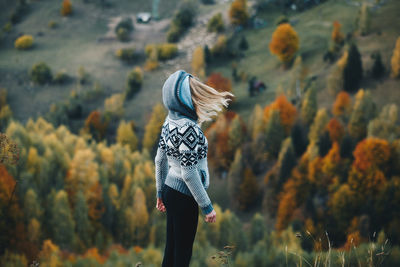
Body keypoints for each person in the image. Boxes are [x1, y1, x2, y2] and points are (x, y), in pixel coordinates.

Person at [154, 70, 234, 267]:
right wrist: (207, 207)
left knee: (171, 250)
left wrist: (159, 193)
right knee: (182, 254)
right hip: (184, 196)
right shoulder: (188, 128)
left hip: (169, 191)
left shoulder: (169, 122)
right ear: (186, 99)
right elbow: (189, 174)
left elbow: (159, 160)